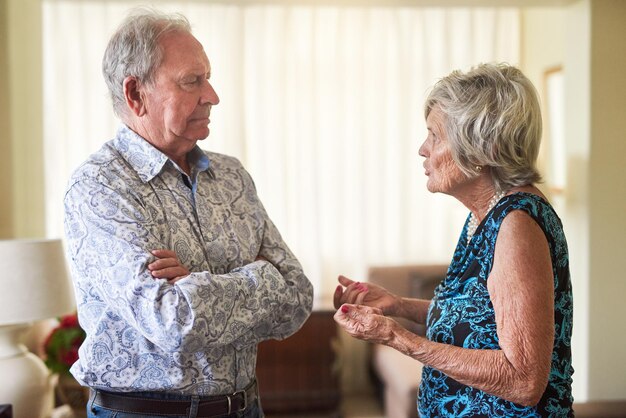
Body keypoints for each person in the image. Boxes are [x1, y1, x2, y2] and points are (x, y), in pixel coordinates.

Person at [63, 8, 313, 418]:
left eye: (208, 77)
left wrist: (194, 283)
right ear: (135, 94)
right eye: (191, 81)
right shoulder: (99, 187)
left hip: (247, 407)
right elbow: (174, 321)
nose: (212, 95)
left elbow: (298, 298)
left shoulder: (232, 175)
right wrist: (262, 275)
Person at [333, 63, 573, 417]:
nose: (422, 150)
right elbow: (478, 324)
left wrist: (395, 336)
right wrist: (397, 304)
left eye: (435, 136)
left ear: (481, 149)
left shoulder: (516, 226)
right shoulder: (485, 215)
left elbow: (523, 380)